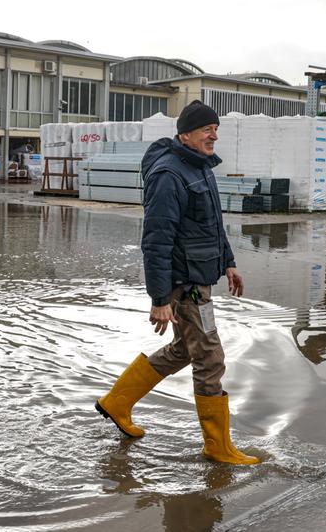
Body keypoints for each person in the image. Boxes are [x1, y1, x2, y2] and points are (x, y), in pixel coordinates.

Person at [95, 100, 259, 465]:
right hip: (185, 284)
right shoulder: (169, 174)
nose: (213, 134)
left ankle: (116, 402)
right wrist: (159, 298)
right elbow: (156, 240)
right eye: (206, 129)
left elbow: (211, 225)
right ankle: (217, 446)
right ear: (185, 135)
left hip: (200, 274)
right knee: (210, 358)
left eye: (215, 128)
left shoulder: (198, 167)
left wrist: (229, 263)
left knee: (185, 350)